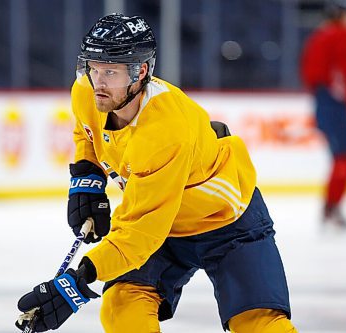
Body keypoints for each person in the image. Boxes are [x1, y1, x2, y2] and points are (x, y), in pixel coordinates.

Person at [16, 14, 297, 332]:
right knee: (122, 305)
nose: (99, 82)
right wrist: (87, 177)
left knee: (256, 323)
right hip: (161, 224)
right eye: (94, 67)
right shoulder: (87, 92)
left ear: (141, 72)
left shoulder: (164, 131)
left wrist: (77, 283)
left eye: (111, 71)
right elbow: (87, 133)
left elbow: (138, 236)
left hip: (227, 223)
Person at [301, 0, 346, 230]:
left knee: (343, 155)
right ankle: (332, 208)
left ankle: (332, 207)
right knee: (345, 155)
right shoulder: (339, 36)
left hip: (327, 102)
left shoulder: (322, 35)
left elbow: (311, 72)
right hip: (332, 104)